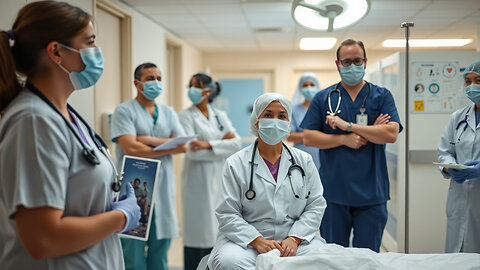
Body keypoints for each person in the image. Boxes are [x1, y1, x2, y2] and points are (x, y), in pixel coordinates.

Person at [0, 1, 140, 269]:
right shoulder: (33, 120)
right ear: (56, 51)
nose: (96, 52)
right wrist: (121, 217)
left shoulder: (66, 114)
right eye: (89, 42)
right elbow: (43, 238)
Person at [301, 39, 402, 252]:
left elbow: (391, 133)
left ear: (365, 62)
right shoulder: (324, 97)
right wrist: (345, 139)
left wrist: (348, 126)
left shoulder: (381, 96)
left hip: (372, 194)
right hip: (334, 193)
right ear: (337, 64)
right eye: (346, 62)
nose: (352, 66)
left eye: (357, 60)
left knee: (367, 258)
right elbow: (309, 137)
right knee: (334, 257)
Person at [208, 93, 327, 270]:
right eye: (268, 115)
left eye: (282, 116)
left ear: (288, 124)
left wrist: (294, 238)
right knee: (229, 262)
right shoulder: (235, 163)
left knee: (321, 259)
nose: (275, 121)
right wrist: (257, 240)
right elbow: (227, 213)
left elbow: (316, 205)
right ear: (256, 121)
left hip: (294, 239)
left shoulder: (304, 161)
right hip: (246, 242)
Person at [110, 62, 186, 270]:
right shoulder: (124, 111)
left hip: (162, 188)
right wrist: (166, 144)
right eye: (150, 78)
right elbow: (130, 148)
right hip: (134, 188)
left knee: (160, 252)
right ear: (137, 83)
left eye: (159, 78)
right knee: (132, 253)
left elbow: (183, 145)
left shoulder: (168, 112)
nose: (156, 83)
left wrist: (145, 139)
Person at [179, 73, 242, 270]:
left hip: (217, 179)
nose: (191, 89)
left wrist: (207, 144)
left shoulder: (219, 115)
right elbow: (191, 152)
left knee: (216, 233)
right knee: (197, 235)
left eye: (196, 85)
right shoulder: (185, 116)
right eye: (190, 85)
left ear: (208, 90)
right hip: (196, 182)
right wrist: (220, 147)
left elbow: (237, 143)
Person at [437, 61, 480, 253]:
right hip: (459, 198)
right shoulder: (458, 117)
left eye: (478, 81)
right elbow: (445, 151)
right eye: (468, 81)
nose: (472, 86)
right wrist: (450, 167)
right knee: (457, 256)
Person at [287, 73, 321, 169]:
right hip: (300, 155)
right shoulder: (294, 110)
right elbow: (289, 136)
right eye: (305, 85)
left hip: (321, 156)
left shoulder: (323, 109)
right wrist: (315, 136)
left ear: (317, 86)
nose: (309, 88)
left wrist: (304, 135)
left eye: (312, 84)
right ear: (300, 88)